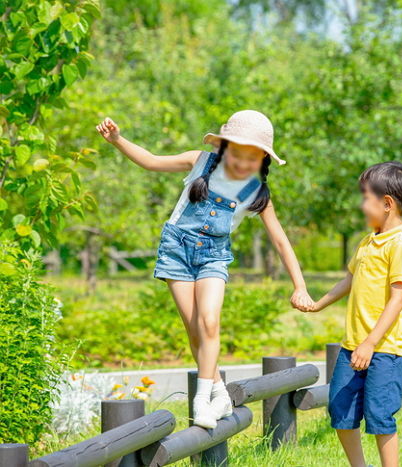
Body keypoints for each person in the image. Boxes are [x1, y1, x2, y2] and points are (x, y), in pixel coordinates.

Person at [96, 110, 313, 428]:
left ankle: (202, 402)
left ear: (263, 161)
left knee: (209, 321)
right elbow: (151, 161)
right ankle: (220, 393)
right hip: (176, 252)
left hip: (213, 257)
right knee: (195, 330)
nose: (242, 163)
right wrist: (117, 140)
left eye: (252, 159)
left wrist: (300, 285)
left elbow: (281, 242)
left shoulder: (255, 193)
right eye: (236, 154)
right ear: (223, 147)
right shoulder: (200, 162)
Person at [298, 162, 402, 467]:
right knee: (340, 411)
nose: (362, 205)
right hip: (353, 345)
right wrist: (318, 303)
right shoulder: (368, 242)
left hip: (384, 350)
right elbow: (350, 280)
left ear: (387, 204)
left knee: (380, 416)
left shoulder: (400, 246)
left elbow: (398, 299)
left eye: (366, 198)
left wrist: (370, 343)